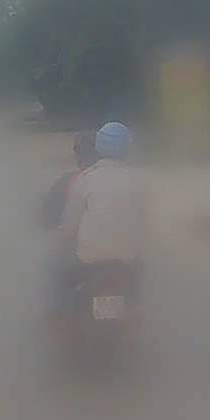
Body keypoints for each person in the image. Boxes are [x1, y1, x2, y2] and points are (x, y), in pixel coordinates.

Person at [58, 122, 146, 305]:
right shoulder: (138, 180)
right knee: (138, 294)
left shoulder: (85, 179)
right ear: (127, 147)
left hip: (90, 261)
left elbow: (69, 227)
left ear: (99, 146)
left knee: (64, 289)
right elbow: (143, 221)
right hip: (127, 261)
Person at [43, 131, 98, 313]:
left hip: (78, 258)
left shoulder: (69, 182)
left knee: (55, 278)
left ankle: (60, 315)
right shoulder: (119, 181)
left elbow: (46, 217)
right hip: (119, 257)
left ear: (77, 154)